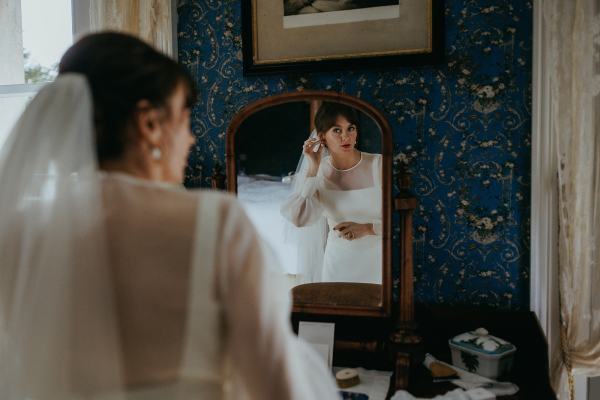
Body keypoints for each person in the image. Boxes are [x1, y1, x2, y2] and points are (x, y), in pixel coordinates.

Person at [0, 32, 339, 399]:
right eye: (183, 117)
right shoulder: (216, 223)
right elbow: (274, 388)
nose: (190, 139)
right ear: (148, 124)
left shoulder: (17, 233)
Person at [281, 102, 382, 284]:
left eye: (350, 128)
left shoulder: (378, 165)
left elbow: (402, 220)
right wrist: (313, 166)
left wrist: (368, 228)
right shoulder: (317, 173)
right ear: (322, 137)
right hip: (338, 264)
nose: (346, 136)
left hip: (379, 262)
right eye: (337, 130)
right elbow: (299, 218)